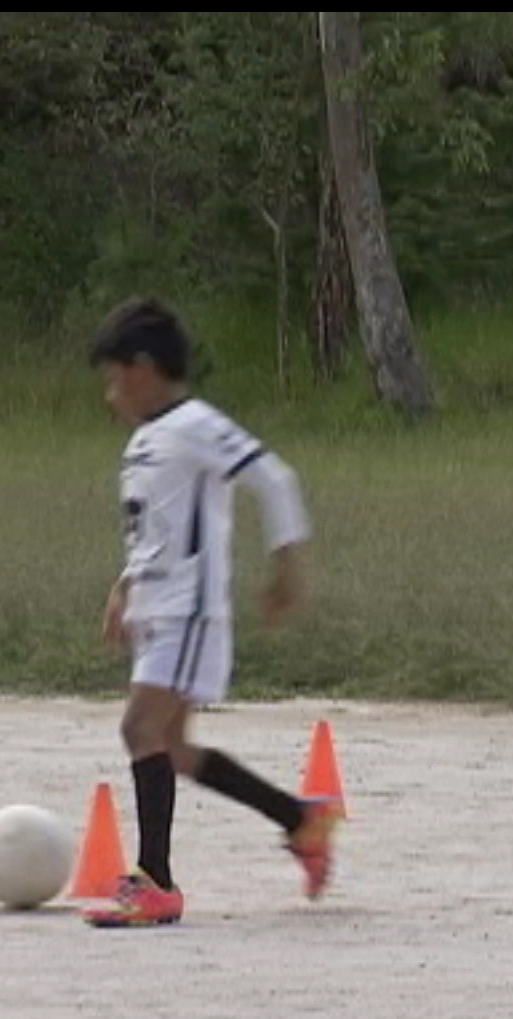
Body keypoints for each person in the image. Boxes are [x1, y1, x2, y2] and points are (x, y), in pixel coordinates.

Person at [81, 296, 340, 928]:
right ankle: (301, 820)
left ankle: (156, 884)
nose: (111, 393)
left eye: (114, 377)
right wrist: (125, 586)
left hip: (190, 611)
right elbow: (156, 531)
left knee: (139, 729)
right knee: (171, 747)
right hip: (159, 606)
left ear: (143, 367)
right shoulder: (148, 441)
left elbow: (274, 478)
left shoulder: (196, 424)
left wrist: (286, 571)